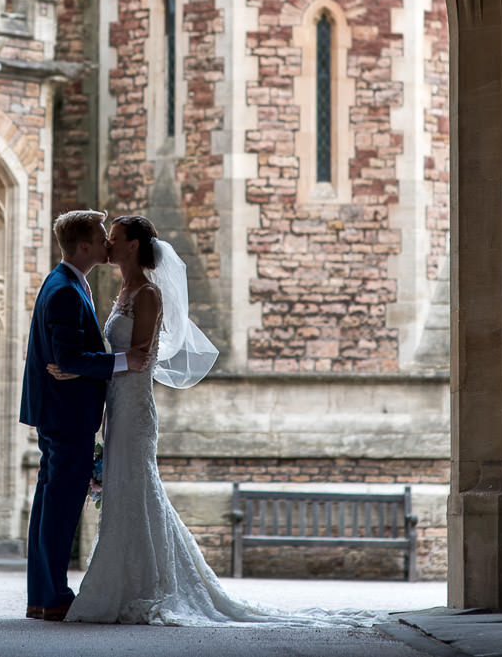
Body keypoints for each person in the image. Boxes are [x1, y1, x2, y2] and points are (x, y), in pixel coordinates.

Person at [50, 214, 378, 627]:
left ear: (133, 245)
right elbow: (118, 355)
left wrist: (83, 368)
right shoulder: (121, 291)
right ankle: (127, 578)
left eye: (114, 238)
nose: (108, 244)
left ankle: (143, 586)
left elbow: (142, 358)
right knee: (125, 492)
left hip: (134, 409)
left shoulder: (148, 294)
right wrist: (86, 370)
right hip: (116, 406)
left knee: (136, 489)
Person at [19, 209, 149, 621]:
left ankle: (41, 595)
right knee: (58, 506)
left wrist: (76, 364)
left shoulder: (71, 284)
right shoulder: (64, 290)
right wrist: (123, 361)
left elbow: (71, 358)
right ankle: (53, 595)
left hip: (61, 410)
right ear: (85, 246)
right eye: (100, 235)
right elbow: (68, 357)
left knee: (49, 501)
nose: (106, 243)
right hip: (66, 412)